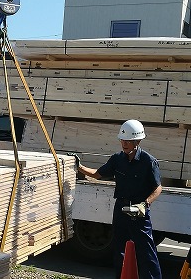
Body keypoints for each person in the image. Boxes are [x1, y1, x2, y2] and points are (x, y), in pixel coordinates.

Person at [70, 119, 162, 279]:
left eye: (128, 141)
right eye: (122, 140)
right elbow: (98, 174)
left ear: (138, 141)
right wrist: (79, 167)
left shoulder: (149, 161)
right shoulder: (117, 159)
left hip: (139, 212)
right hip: (121, 208)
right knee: (120, 249)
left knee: (146, 251)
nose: (124, 144)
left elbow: (158, 187)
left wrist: (146, 203)